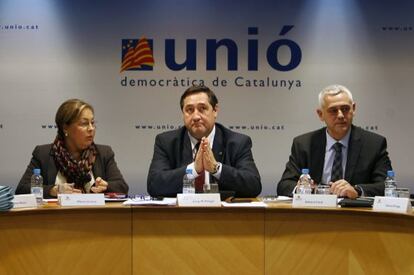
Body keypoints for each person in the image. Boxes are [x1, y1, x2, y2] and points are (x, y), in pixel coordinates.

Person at [277, 84, 392, 198]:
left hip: (355, 212)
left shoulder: (374, 144)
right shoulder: (304, 144)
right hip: (316, 211)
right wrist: (305, 189)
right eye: (333, 110)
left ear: (354, 109)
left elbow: (386, 186)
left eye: (345, 109)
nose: (341, 115)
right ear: (321, 114)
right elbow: (284, 185)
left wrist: (356, 190)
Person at [147, 85, 261, 197]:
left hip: (223, 214)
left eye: (202, 109)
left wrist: (216, 169)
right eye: (189, 110)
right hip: (180, 214)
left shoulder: (237, 142)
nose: (196, 116)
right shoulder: (167, 142)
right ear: (183, 113)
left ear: (215, 110)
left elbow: (254, 186)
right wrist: (193, 170)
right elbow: (154, 185)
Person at [16, 99, 128, 198]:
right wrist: (53, 190)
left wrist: (106, 186)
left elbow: (122, 187)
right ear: (65, 128)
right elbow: (22, 190)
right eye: (84, 123)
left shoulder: (104, 153)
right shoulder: (43, 154)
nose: (91, 128)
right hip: (55, 219)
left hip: (95, 218)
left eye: (92, 123)